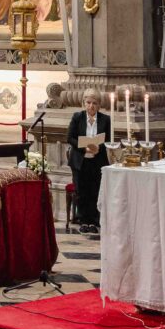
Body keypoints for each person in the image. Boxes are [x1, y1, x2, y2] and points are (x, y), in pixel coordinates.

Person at [65, 94, 111, 231]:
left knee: (95, 190)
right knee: (81, 191)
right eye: (89, 102)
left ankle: (94, 221)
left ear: (99, 105)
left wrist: (98, 147)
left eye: (95, 103)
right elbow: (70, 138)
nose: (91, 106)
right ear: (84, 104)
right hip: (80, 159)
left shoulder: (105, 119)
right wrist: (84, 148)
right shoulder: (77, 117)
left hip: (97, 159)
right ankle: (83, 221)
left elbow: (108, 139)